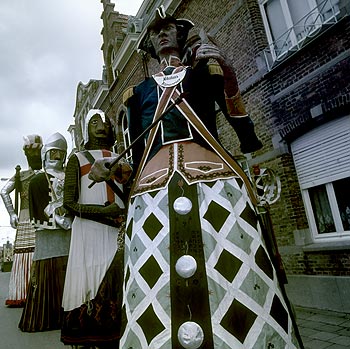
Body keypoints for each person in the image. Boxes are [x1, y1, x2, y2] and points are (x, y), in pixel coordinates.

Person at [89, 6, 303, 349]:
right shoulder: (137, 93)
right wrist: (112, 167)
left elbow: (241, 125)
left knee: (233, 265)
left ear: (180, 36)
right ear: (150, 45)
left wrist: (228, 72)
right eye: (156, 31)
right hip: (152, 189)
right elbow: (132, 151)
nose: (162, 33)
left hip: (214, 180)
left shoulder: (206, 71)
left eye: (169, 28)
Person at [61, 109, 131, 348]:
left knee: (117, 281)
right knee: (92, 281)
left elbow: (129, 195)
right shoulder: (77, 159)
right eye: (93, 121)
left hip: (118, 232)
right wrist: (103, 212)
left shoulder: (121, 157)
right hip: (89, 232)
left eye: (104, 122)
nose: (100, 126)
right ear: (85, 128)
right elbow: (69, 203)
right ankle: (88, 337)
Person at [19, 132, 71, 332]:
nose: (57, 158)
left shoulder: (70, 176)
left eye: (60, 154)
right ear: (46, 155)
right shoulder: (37, 180)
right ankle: (46, 317)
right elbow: (39, 205)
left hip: (70, 231)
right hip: (49, 236)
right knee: (47, 276)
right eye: (53, 154)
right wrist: (56, 218)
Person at [0, 134, 43, 307]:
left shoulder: (45, 173)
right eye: (30, 154)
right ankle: (25, 292)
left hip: (38, 215)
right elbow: (4, 191)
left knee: (39, 252)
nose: (33, 157)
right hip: (27, 216)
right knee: (27, 252)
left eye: (36, 154)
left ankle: (37, 290)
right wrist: (11, 213)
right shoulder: (22, 175)